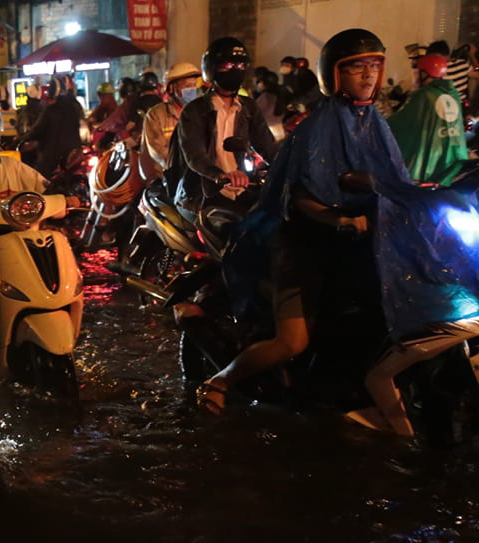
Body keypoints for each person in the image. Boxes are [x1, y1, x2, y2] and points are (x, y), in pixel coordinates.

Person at [196, 28, 479, 426]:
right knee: (293, 341)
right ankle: (221, 381)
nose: (367, 76)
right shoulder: (317, 127)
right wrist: (340, 218)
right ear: (334, 74)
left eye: (374, 67)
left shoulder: (376, 122)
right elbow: (299, 197)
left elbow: (395, 178)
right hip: (304, 241)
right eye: (356, 68)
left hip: (357, 240)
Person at [168, 36, 278, 219]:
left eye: (241, 66)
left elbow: (267, 145)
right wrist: (219, 175)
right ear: (211, 69)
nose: (235, 71)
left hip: (242, 188)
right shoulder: (194, 111)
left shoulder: (248, 108)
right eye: (227, 66)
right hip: (204, 193)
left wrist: (287, 165)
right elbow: (195, 155)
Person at [387, 48, 468, 184]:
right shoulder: (453, 94)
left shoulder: (423, 95)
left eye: (419, 72)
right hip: (454, 158)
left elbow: (401, 122)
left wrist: (383, 124)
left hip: (429, 162)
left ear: (425, 73)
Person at [138, 61, 201, 180]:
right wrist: (185, 164)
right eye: (187, 86)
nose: (192, 90)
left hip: (196, 176)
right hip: (165, 177)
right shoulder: (156, 115)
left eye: (194, 86)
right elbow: (158, 151)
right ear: (172, 88)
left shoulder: (199, 112)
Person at [21, 74, 85, 177]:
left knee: (40, 180)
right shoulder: (75, 107)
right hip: (75, 153)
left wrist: (24, 138)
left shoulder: (50, 110)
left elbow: (37, 130)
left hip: (53, 155)